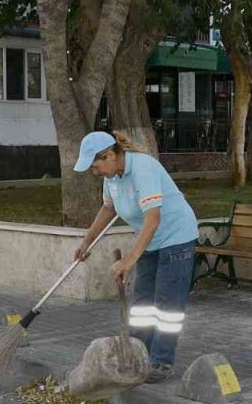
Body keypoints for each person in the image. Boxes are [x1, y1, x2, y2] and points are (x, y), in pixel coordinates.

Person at [73, 131, 200, 383]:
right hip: (150, 240)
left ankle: (161, 361)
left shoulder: (143, 168)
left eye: (95, 165)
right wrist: (87, 241)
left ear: (110, 155)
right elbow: (108, 208)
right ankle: (136, 353)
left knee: (167, 306)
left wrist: (130, 259)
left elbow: (153, 218)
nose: (95, 171)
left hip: (177, 239)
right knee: (142, 303)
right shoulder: (113, 176)